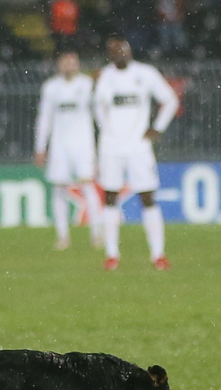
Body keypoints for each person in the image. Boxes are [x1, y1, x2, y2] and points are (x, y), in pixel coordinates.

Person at [93, 34, 179, 271]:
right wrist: (108, 134)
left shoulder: (146, 73)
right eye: (113, 50)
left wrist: (157, 128)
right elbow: (98, 108)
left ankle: (158, 254)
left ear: (129, 50)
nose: (118, 53)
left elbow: (170, 100)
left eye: (121, 49)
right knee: (110, 197)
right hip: (111, 146)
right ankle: (111, 255)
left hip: (138, 147)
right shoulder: (104, 77)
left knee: (148, 197)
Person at [34, 51, 103, 251]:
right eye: (65, 63)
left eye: (72, 62)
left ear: (78, 64)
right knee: (59, 188)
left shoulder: (87, 85)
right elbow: (44, 118)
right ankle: (63, 236)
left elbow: (98, 114)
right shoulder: (50, 87)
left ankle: (96, 234)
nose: (69, 66)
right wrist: (40, 147)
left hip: (83, 144)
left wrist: (103, 142)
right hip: (59, 145)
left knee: (88, 186)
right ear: (59, 65)